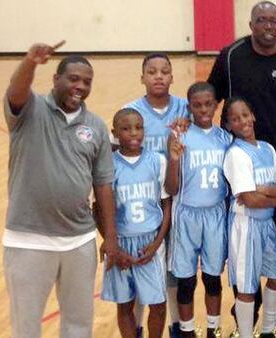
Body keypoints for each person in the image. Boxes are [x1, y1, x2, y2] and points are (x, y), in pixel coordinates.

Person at [207, 1, 276, 327]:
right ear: (251, 23)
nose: (268, 26)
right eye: (262, 20)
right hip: (241, 160)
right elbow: (209, 97)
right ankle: (245, 313)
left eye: (274, 20)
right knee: (244, 243)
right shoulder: (231, 56)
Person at [2, 41, 118, 338]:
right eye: (73, 78)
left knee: (79, 325)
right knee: (26, 327)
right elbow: (15, 90)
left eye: (87, 82)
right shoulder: (30, 109)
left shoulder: (95, 126)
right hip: (28, 240)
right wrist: (29, 61)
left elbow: (103, 184)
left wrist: (111, 238)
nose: (80, 86)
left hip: (79, 241)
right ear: (55, 79)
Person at [123, 52, 189, 337]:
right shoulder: (130, 112)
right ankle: (137, 326)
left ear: (172, 77)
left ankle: (175, 324)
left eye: (164, 71)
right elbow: (118, 157)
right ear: (142, 77)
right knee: (140, 264)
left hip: (180, 198)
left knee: (173, 268)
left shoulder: (186, 109)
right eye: (152, 71)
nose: (159, 76)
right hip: (142, 202)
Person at [166, 82, 233, 338]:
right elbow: (171, 187)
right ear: (189, 107)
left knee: (212, 277)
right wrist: (173, 159)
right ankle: (187, 331)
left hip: (215, 215)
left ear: (216, 105)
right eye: (197, 105)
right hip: (186, 215)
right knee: (186, 280)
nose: (203, 109)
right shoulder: (179, 136)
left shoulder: (225, 138)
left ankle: (213, 330)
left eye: (208, 104)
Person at [101, 108, 170, 338]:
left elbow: (166, 205)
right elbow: (97, 210)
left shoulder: (157, 161)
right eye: (126, 128)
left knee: (158, 305)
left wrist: (156, 244)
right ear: (115, 133)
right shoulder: (108, 165)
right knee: (125, 305)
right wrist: (113, 247)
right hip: (120, 242)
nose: (134, 132)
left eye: (139, 127)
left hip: (150, 242)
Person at [222, 97, 276, 338]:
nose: (243, 121)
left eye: (245, 115)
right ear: (229, 125)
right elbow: (248, 199)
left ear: (254, 116)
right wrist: (274, 198)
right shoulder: (236, 154)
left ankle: (269, 330)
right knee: (247, 287)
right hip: (245, 224)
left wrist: (265, 191)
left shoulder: (267, 149)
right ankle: (246, 334)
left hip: (267, 222)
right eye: (235, 118)